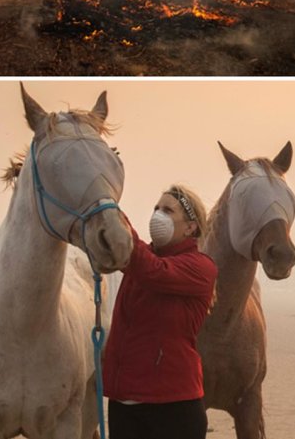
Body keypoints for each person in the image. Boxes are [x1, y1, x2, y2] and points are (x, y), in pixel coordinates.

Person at [103, 185, 219, 439]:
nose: (158, 215)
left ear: (190, 227)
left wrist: (112, 214)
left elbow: (153, 270)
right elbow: (126, 256)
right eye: (157, 208)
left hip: (173, 407)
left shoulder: (201, 266)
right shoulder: (141, 258)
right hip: (124, 403)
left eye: (168, 210)